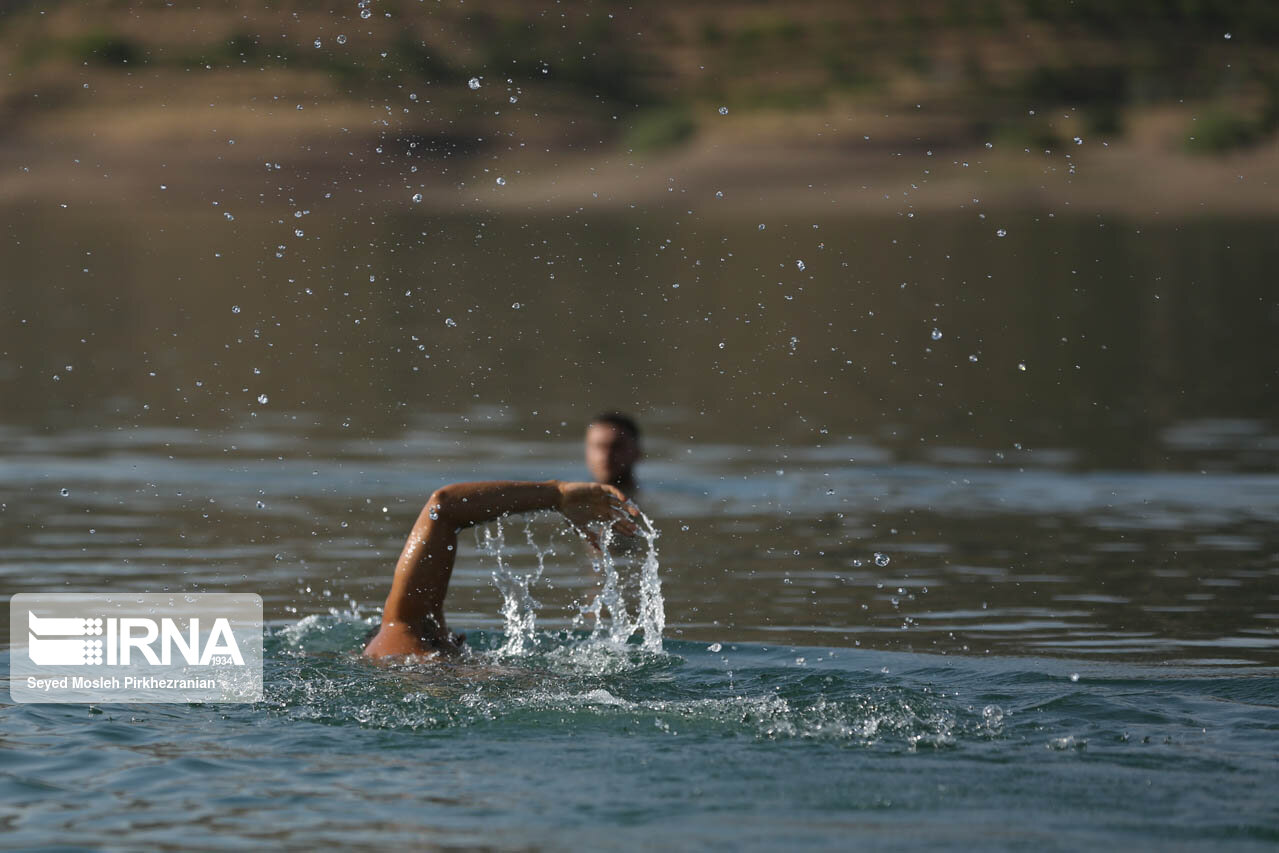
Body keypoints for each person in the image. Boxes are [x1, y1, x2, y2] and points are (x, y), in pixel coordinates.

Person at [363, 479, 638, 660]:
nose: (459, 637)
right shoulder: (399, 629)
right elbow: (442, 507)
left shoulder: (406, 651)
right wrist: (556, 495)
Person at [585, 411, 642, 498]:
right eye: (598, 446)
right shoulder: (566, 495)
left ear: (637, 453)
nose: (606, 456)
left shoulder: (659, 495)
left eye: (616, 446)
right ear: (587, 452)